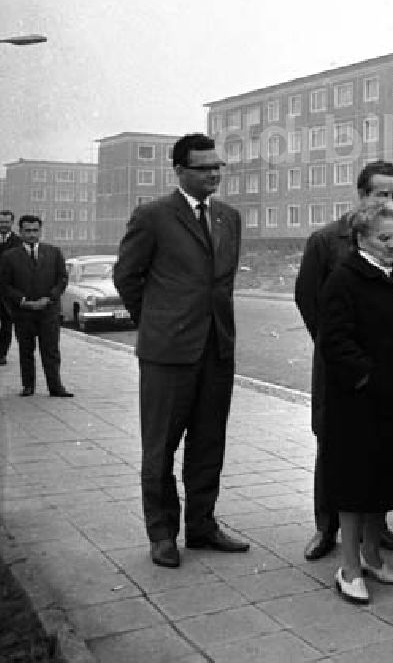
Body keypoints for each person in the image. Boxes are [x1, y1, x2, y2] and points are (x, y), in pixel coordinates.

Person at [113, 134, 249, 568]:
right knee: (161, 448)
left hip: (216, 351)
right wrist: (157, 322)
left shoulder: (229, 217)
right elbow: (127, 278)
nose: (214, 174)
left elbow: (221, 284)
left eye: (218, 166)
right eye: (204, 167)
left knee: (209, 443)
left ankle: (203, 526)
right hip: (167, 355)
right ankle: (162, 535)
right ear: (179, 171)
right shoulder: (153, 216)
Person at [294, 159, 393, 561]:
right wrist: (339, 349)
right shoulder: (326, 240)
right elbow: (310, 299)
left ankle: (376, 532)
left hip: (385, 368)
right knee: (334, 443)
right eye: (382, 194)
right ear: (361, 195)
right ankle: (325, 527)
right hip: (341, 366)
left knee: (380, 445)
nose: (390, 201)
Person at [317, 201, 393, 605]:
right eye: (383, 238)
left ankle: (372, 556)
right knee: (354, 489)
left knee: (379, 484)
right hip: (359, 405)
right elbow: (335, 342)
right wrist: (369, 377)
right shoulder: (344, 279)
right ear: (360, 238)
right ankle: (348, 569)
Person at [0, 215, 71, 397]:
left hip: (48, 311)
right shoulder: (9, 257)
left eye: (35, 230)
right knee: (26, 350)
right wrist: (23, 301)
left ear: (40, 231)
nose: (32, 235)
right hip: (23, 312)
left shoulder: (54, 252)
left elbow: (62, 279)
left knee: (51, 350)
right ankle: (28, 386)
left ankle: (55, 387)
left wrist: (49, 298)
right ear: (21, 231)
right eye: (27, 231)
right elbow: (4, 285)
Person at [0, 209, 22, 366]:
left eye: (6, 222)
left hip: (7, 291)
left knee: (6, 323)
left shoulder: (18, 242)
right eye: (1, 222)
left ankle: (2, 353)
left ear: (11, 223)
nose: (3, 225)